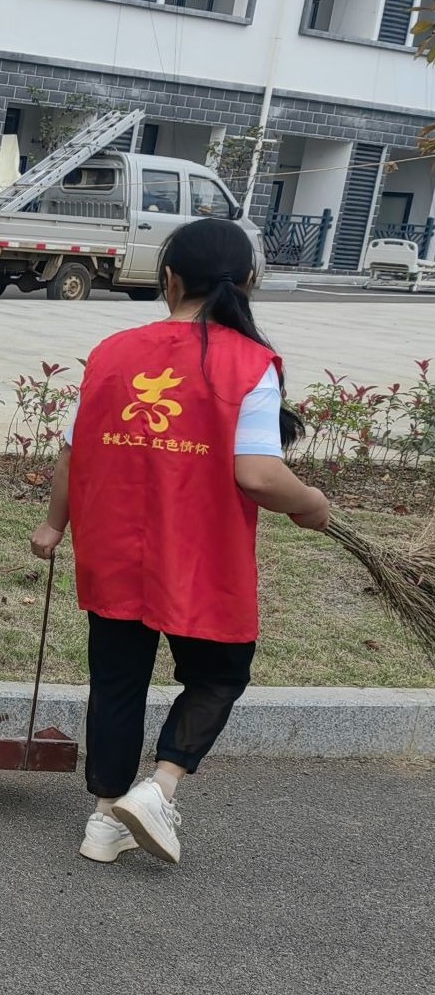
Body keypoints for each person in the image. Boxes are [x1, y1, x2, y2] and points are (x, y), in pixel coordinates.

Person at [29, 219, 329, 865]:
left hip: (113, 551)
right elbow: (256, 473)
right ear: (246, 285)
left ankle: (104, 818)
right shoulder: (248, 364)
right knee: (220, 673)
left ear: (167, 281)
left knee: (116, 681)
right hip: (198, 556)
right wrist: (312, 504)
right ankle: (159, 785)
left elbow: (70, 452)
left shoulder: (112, 351)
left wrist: (55, 526)